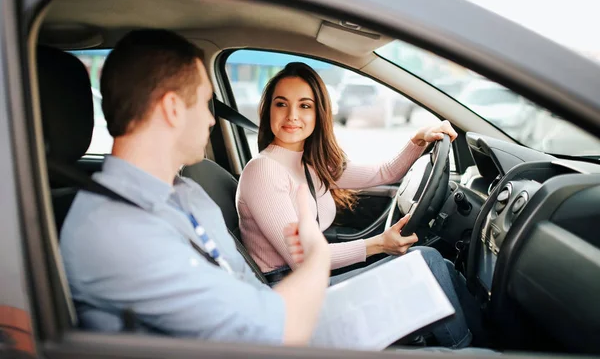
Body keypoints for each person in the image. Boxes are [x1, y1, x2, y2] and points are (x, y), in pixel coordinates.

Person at [60, 29, 332, 346]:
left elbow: (250, 290)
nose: (212, 120)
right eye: (205, 103)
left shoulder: (188, 194)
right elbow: (269, 334)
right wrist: (317, 254)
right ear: (173, 109)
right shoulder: (114, 228)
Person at [236, 62, 477, 348]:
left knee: (444, 267)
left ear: (319, 113)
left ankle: (493, 344)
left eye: (304, 106)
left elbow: (385, 173)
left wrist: (418, 139)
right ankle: (468, 352)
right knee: (427, 262)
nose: (292, 116)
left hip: (311, 281)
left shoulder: (310, 163)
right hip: (289, 298)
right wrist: (378, 244)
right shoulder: (264, 170)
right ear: (268, 110)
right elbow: (302, 260)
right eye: (281, 104)